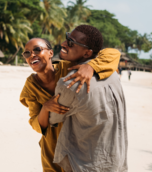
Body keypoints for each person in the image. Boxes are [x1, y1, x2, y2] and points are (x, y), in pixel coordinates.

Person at [19, 26, 121, 172]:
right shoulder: (30, 86)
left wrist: (92, 66)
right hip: (51, 148)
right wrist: (46, 107)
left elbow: (113, 54)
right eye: (27, 53)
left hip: (76, 146)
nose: (31, 55)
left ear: (50, 53)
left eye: (37, 50)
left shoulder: (69, 68)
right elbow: (36, 125)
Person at [49, 25, 128, 172]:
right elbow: (112, 53)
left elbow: (53, 118)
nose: (64, 44)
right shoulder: (112, 74)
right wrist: (92, 66)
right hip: (115, 161)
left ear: (87, 53)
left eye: (71, 42)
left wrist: (47, 104)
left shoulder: (70, 83)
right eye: (67, 38)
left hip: (83, 164)